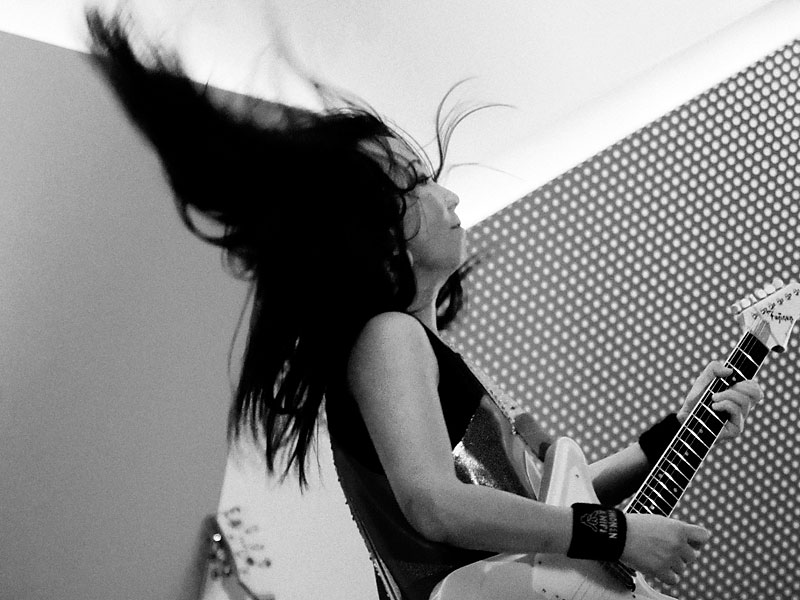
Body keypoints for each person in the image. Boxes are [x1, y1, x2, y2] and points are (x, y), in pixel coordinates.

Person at [85, 9, 763, 600]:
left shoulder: (416, 346)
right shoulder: (389, 336)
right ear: (372, 229)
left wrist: (679, 427)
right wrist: (614, 534)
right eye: (416, 183)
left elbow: (550, 507)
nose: (450, 196)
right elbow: (434, 503)